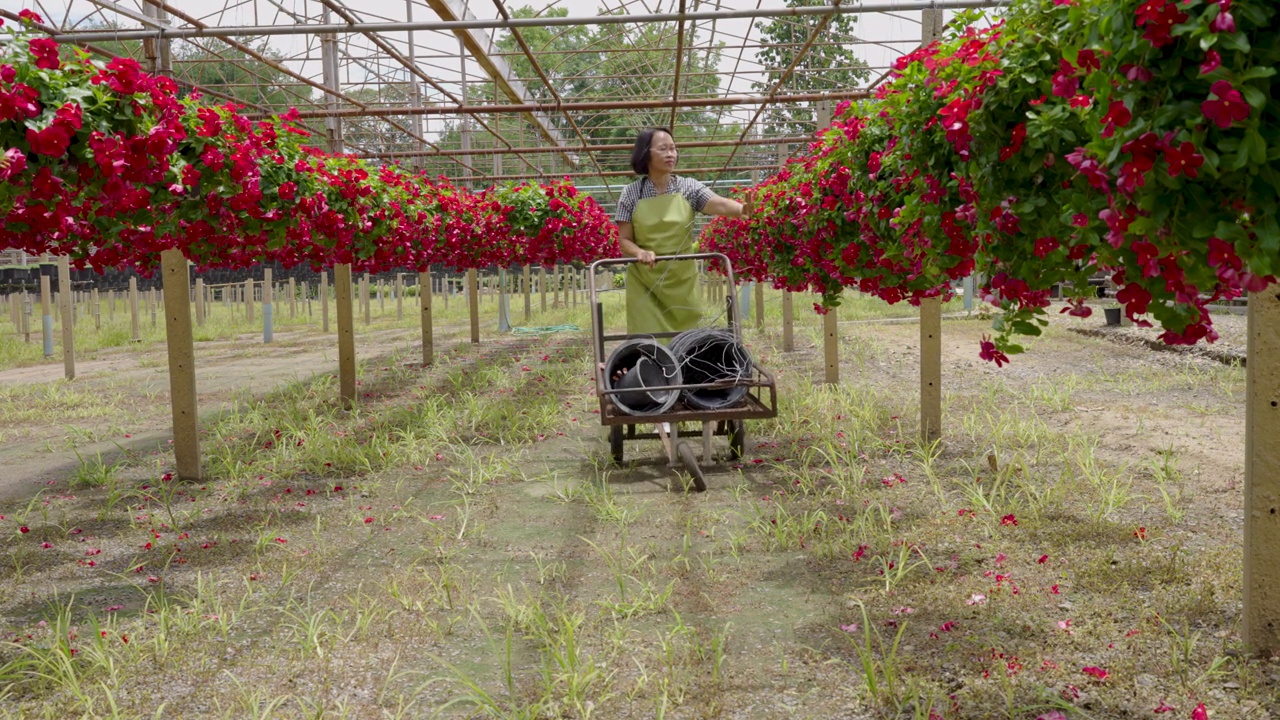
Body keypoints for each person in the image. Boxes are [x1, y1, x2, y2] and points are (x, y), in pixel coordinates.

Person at [614, 127, 753, 337]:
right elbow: (624, 239)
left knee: (687, 341)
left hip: (682, 281)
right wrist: (639, 253)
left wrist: (741, 209)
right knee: (649, 342)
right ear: (646, 153)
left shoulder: (688, 187)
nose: (671, 154)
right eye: (663, 149)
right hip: (645, 282)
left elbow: (719, 204)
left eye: (673, 148)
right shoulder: (631, 193)